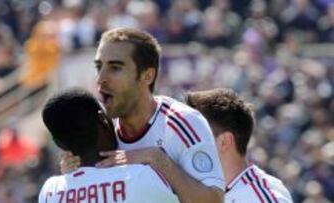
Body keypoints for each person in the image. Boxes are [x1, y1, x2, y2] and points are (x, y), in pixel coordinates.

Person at [61, 27, 225, 203]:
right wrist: (72, 177)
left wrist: (157, 159)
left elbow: (214, 200)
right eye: (99, 67)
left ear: (147, 75)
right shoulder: (100, 130)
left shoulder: (182, 123)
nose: (100, 78)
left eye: (115, 68)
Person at [39, 88, 180, 203]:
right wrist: (156, 157)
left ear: (59, 144)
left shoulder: (50, 191)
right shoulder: (142, 177)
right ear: (103, 120)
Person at [186, 88, 293, 203]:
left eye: (194, 135)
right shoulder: (204, 188)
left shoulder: (261, 198)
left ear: (224, 142)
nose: (186, 142)